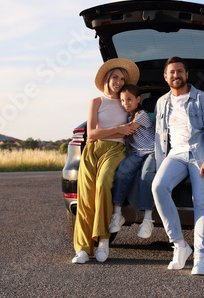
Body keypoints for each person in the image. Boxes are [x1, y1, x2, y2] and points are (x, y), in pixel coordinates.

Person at [152, 56, 204, 276]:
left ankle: (201, 257)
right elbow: (159, 137)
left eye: (180, 71)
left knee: (202, 202)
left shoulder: (203, 99)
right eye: (172, 72)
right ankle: (180, 245)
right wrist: (159, 164)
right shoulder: (161, 102)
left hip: (200, 155)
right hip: (175, 155)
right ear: (165, 77)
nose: (176, 76)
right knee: (158, 187)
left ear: (187, 74)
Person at [72, 58, 140, 264]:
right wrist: (118, 129)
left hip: (116, 150)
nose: (118, 82)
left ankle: (103, 240)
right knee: (85, 197)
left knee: (102, 187)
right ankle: (83, 249)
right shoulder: (96, 102)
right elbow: (91, 134)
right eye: (115, 77)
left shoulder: (125, 103)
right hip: (92, 151)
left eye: (122, 79)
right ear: (106, 79)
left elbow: (138, 124)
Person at [109, 84, 156, 239]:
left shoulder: (141, 114)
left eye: (129, 99)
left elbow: (129, 129)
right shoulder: (127, 117)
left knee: (146, 174)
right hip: (137, 154)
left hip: (152, 152)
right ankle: (117, 214)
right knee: (123, 170)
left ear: (137, 99)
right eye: (122, 100)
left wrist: (111, 129)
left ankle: (148, 219)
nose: (125, 103)